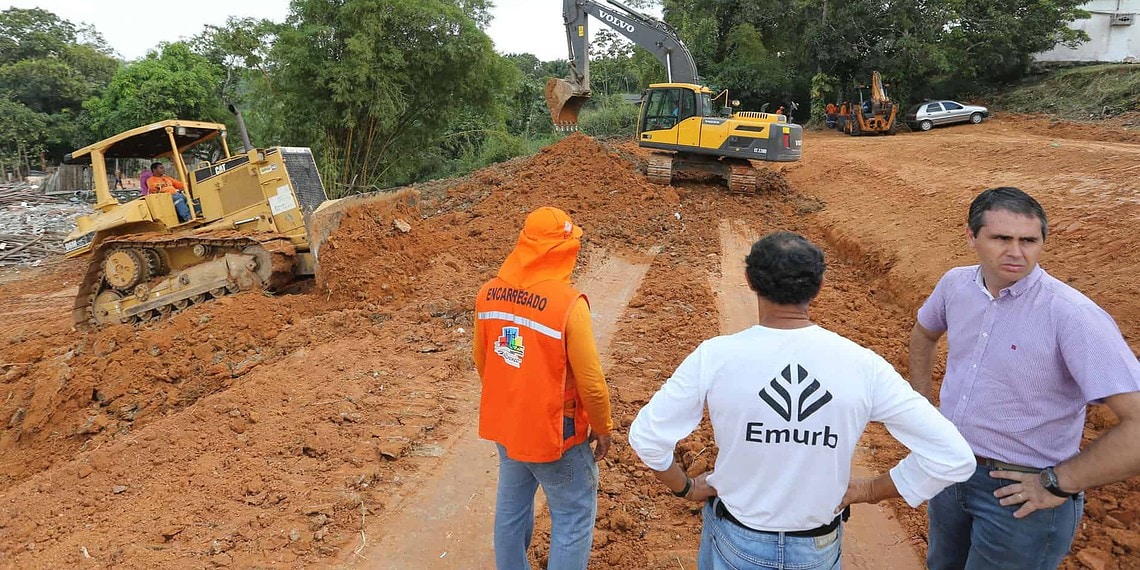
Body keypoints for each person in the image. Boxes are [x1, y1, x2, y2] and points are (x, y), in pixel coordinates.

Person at [629, 231, 976, 569]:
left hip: (737, 540)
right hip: (817, 547)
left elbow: (647, 436)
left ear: (749, 280)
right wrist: (870, 490)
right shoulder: (861, 364)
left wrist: (686, 488)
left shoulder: (715, 356)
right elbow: (954, 456)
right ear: (819, 286)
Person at [910, 187, 1140, 570]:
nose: (1016, 252)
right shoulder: (955, 285)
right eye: (1001, 238)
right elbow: (924, 333)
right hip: (949, 470)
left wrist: (1058, 482)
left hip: (1021, 498)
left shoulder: (1073, 316)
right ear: (971, 236)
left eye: (1029, 241)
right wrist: (922, 410)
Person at [474, 207, 614, 570]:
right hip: (555, 437)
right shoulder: (568, 305)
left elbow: (484, 363)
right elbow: (592, 383)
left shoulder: (488, 294)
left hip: (508, 427)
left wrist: (512, 403)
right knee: (573, 515)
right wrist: (603, 427)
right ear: (564, 250)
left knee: (510, 512)